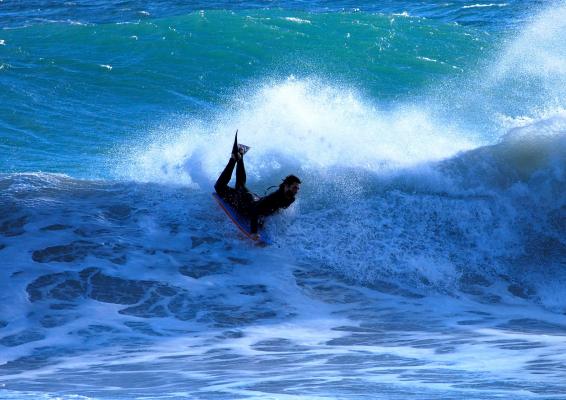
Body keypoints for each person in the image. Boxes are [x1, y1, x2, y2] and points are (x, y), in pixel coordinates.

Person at [214, 132, 301, 239]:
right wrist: (253, 232)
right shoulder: (274, 197)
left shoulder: (291, 198)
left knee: (240, 185)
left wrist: (263, 219)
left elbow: (275, 209)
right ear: (286, 186)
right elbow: (255, 210)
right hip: (246, 202)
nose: (296, 190)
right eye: (294, 187)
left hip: (254, 198)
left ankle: (239, 156)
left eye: (297, 188)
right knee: (219, 187)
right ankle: (234, 159)